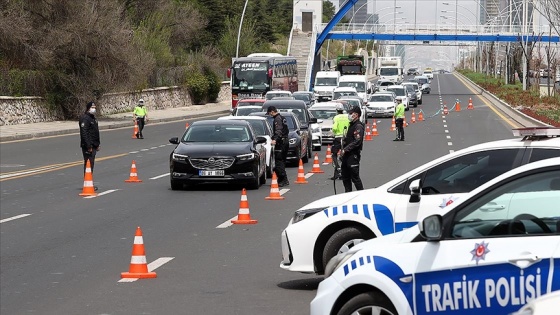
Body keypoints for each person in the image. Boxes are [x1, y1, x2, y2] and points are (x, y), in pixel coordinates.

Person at [339, 106, 365, 192]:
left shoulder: (358, 126)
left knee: (355, 178)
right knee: (345, 178)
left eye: (351, 113)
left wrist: (345, 149)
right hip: (346, 156)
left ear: (356, 115)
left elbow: (357, 141)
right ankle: (348, 196)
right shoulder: (351, 125)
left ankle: (362, 197)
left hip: (353, 156)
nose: (349, 115)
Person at [267, 106, 290, 187]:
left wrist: (275, 140)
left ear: (272, 111)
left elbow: (279, 131)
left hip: (281, 143)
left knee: (278, 162)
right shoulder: (282, 117)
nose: (270, 115)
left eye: (270, 113)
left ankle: (282, 179)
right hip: (285, 141)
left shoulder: (277, 119)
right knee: (282, 161)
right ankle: (284, 179)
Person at [79, 101, 100, 178]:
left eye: (94, 108)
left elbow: (95, 132)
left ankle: (89, 181)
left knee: (91, 164)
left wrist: (97, 144)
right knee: (88, 164)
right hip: (88, 146)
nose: (94, 109)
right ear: (88, 108)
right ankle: (87, 182)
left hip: (93, 145)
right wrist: (88, 146)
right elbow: (84, 133)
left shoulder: (93, 118)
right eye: (92, 108)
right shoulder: (85, 119)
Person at [330, 103, 350, 180]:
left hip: (338, 138)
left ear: (337, 110)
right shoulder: (347, 116)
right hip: (346, 138)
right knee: (345, 154)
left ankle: (338, 169)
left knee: (334, 154)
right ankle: (344, 172)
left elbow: (334, 128)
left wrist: (333, 133)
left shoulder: (336, 118)